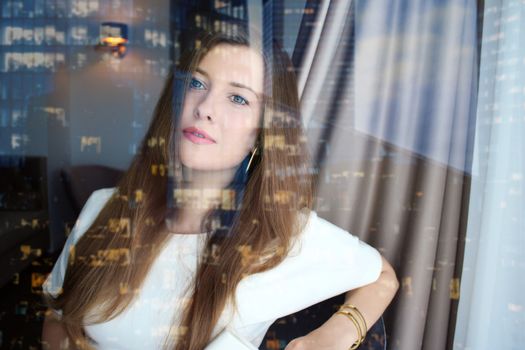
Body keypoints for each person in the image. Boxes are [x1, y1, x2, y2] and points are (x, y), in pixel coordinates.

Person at [41, 27, 399, 350]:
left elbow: (382, 277)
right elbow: (58, 313)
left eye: (238, 98)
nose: (205, 108)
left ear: (260, 134)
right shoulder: (104, 208)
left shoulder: (282, 237)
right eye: (196, 84)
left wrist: (332, 336)